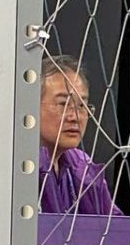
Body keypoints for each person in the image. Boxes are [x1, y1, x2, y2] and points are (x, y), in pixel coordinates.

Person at [39, 54, 119, 216]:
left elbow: (117, 226)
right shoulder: (18, 167)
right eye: (63, 104)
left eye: (82, 106)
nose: (75, 117)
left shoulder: (83, 168)